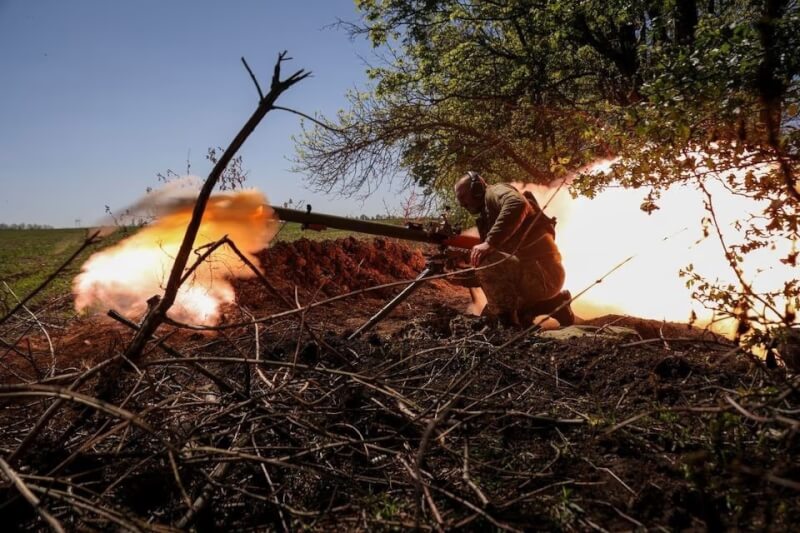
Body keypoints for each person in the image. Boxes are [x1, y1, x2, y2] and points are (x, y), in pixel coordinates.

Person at [453, 171, 575, 327]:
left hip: (543, 275)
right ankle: (556, 304)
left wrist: (489, 243)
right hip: (539, 276)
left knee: (487, 264)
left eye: (463, 197)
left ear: (477, 188)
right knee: (489, 318)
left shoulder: (494, 192)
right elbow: (491, 273)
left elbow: (518, 204)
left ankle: (510, 329)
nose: (461, 204)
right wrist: (460, 265)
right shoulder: (489, 213)